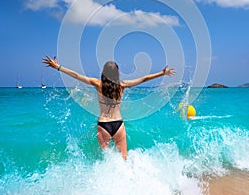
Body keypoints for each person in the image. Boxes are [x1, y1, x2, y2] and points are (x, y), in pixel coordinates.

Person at [42, 55, 175, 159]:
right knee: (123, 160)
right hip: (118, 124)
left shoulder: (98, 84)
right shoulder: (122, 85)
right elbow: (143, 79)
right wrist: (161, 73)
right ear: (116, 73)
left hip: (103, 124)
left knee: (107, 159)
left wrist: (58, 67)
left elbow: (77, 76)